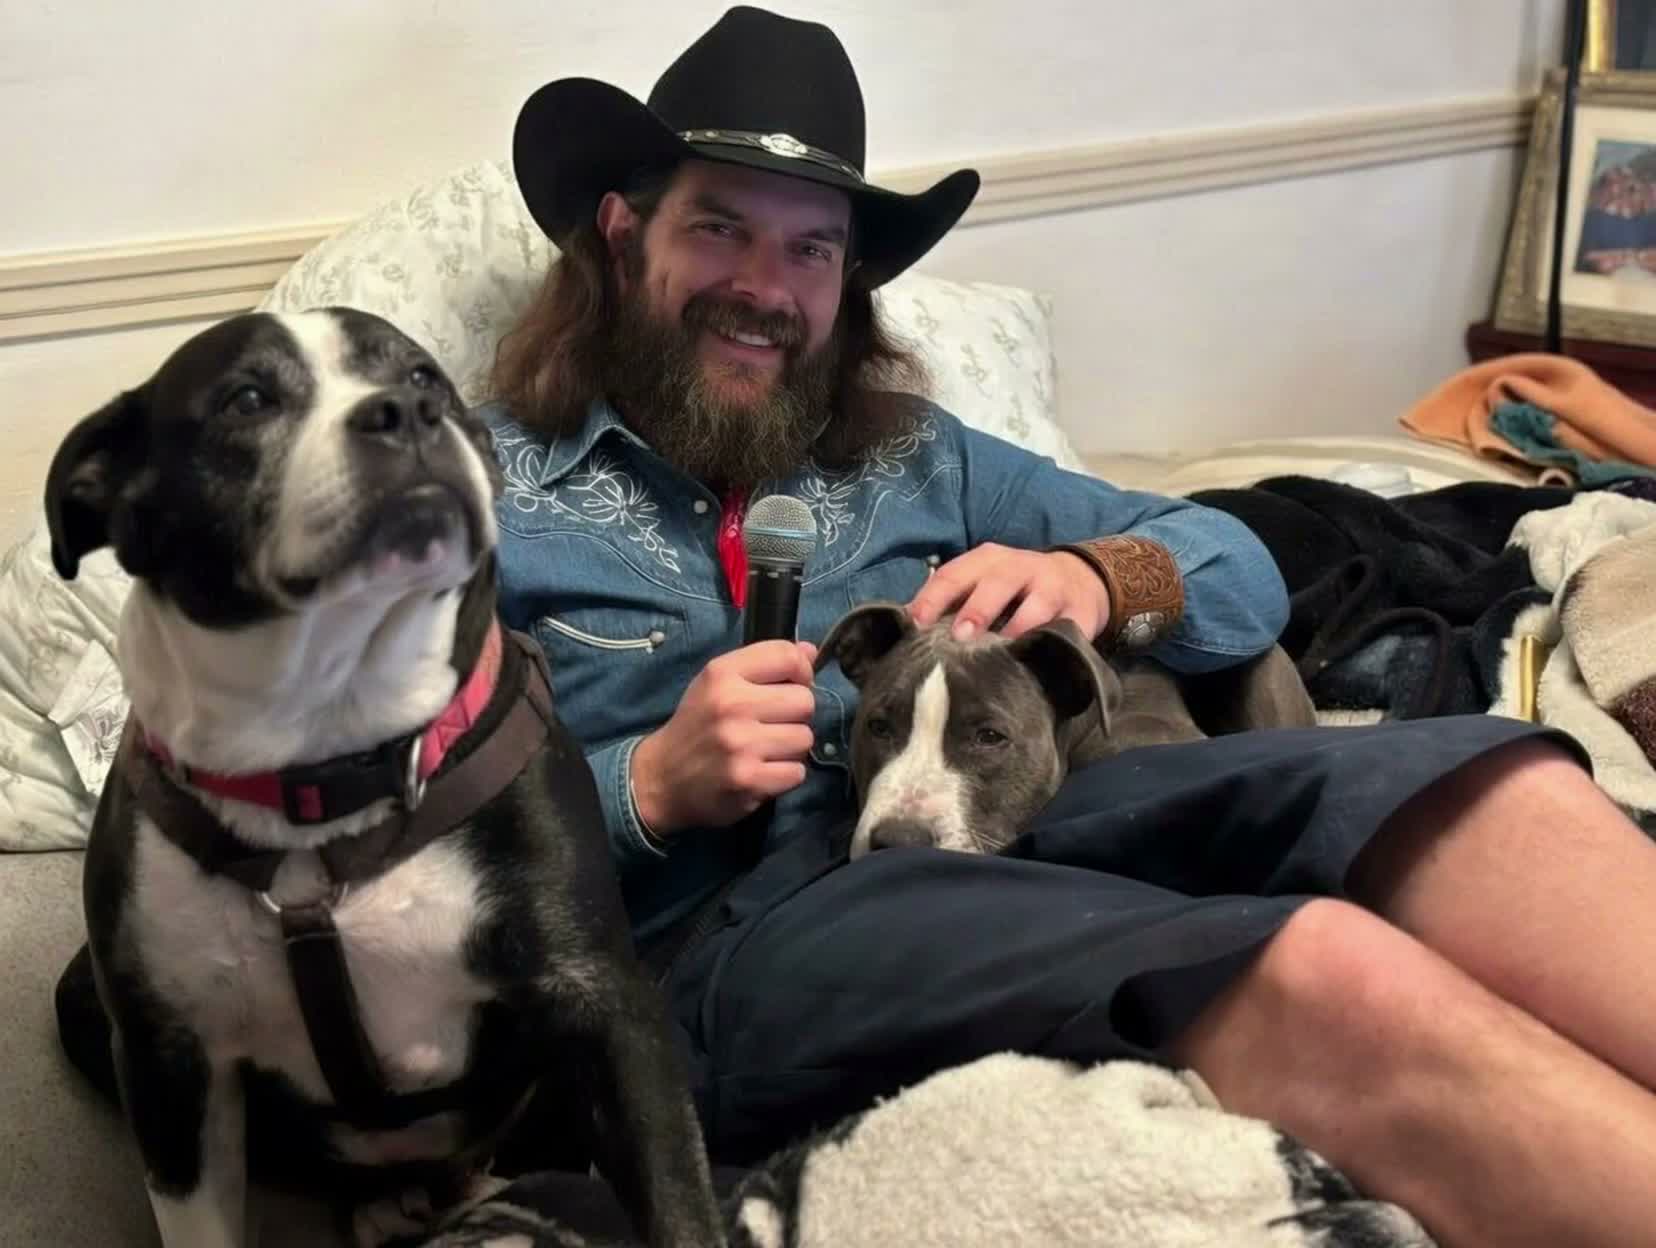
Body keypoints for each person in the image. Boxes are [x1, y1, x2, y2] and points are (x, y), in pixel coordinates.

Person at [51, 8, 1656, 1246]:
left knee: (1482, 782)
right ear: (620, 233)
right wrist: (647, 790)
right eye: (721, 229)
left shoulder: (920, 457)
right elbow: (349, 844)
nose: (767, 287)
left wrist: (1103, 580)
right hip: (747, 943)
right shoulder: (476, 492)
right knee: (1327, 974)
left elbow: (1234, 565)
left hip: (1026, 819)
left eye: (811, 249)